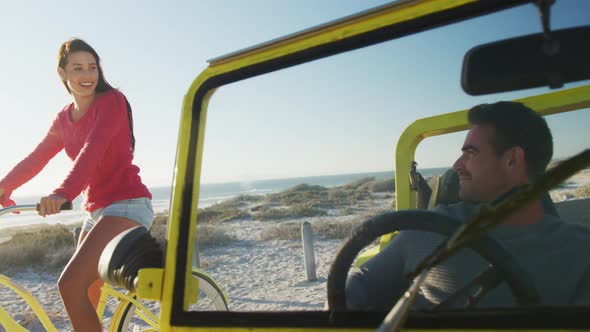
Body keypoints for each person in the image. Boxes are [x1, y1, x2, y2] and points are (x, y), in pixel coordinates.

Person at [345, 101, 590, 311]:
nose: (457, 165)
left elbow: (360, 282)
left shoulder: (429, 230)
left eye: (470, 153)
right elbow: (358, 285)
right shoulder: (427, 230)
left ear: (512, 160)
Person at [0, 38, 153, 331]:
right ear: (62, 73)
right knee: (87, 293)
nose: (87, 75)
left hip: (128, 205)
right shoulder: (63, 119)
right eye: (78, 68)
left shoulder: (111, 102)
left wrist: (61, 193)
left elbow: (91, 152)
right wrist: (4, 187)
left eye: (92, 67)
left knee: (69, 285)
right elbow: (37, 157)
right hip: (96, 212)